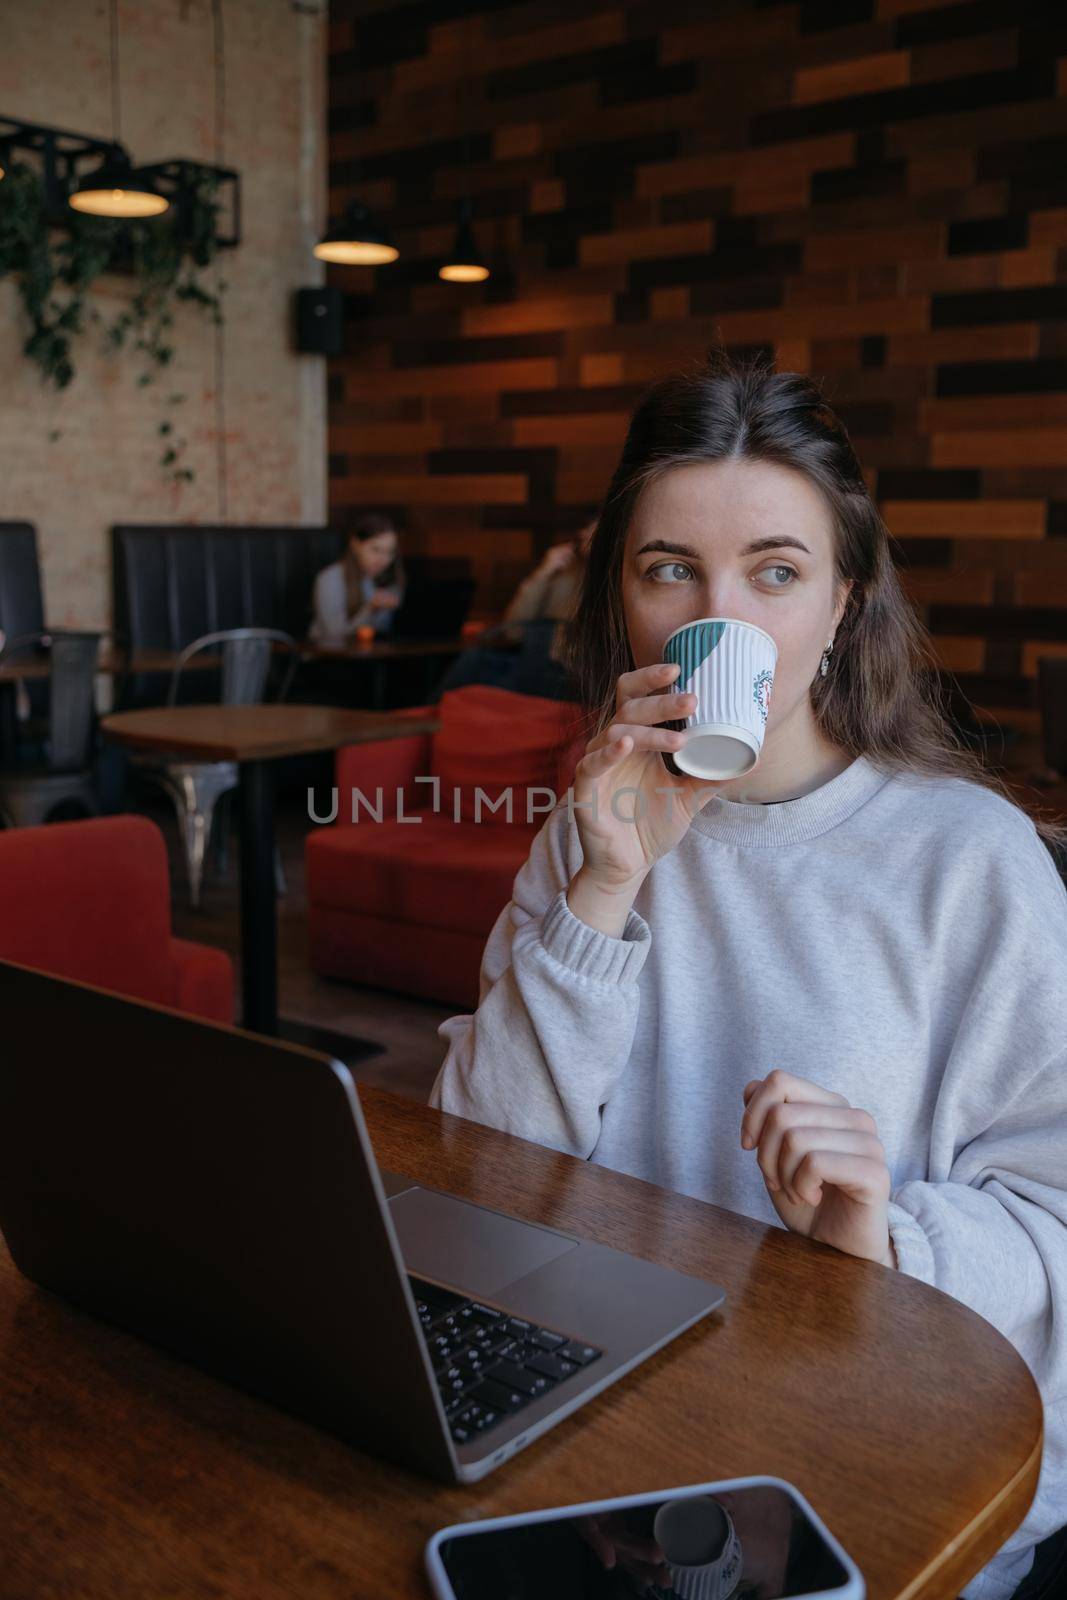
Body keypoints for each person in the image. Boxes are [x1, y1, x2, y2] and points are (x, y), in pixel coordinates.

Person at [430, 352, 1067, 1600]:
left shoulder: (967, 861)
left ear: (843, 603)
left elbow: (1055, 1216)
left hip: (865, 1458)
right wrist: (604, 886)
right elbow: (473, 1175)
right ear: (622, 597)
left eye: (774, 571)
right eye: (669, 569)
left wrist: (885, 1239)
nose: (716, 614)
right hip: (603, 1439)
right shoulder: (588, 826)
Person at [309, 513, 405, 642]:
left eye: (390, 552)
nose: (383, 560)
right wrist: (371, 609)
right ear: (355, 544)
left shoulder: (390, 579)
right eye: (375, 549)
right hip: (325, 656)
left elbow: (382, 633)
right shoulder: (330, 579)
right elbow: (335, 635)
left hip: (371, 656)